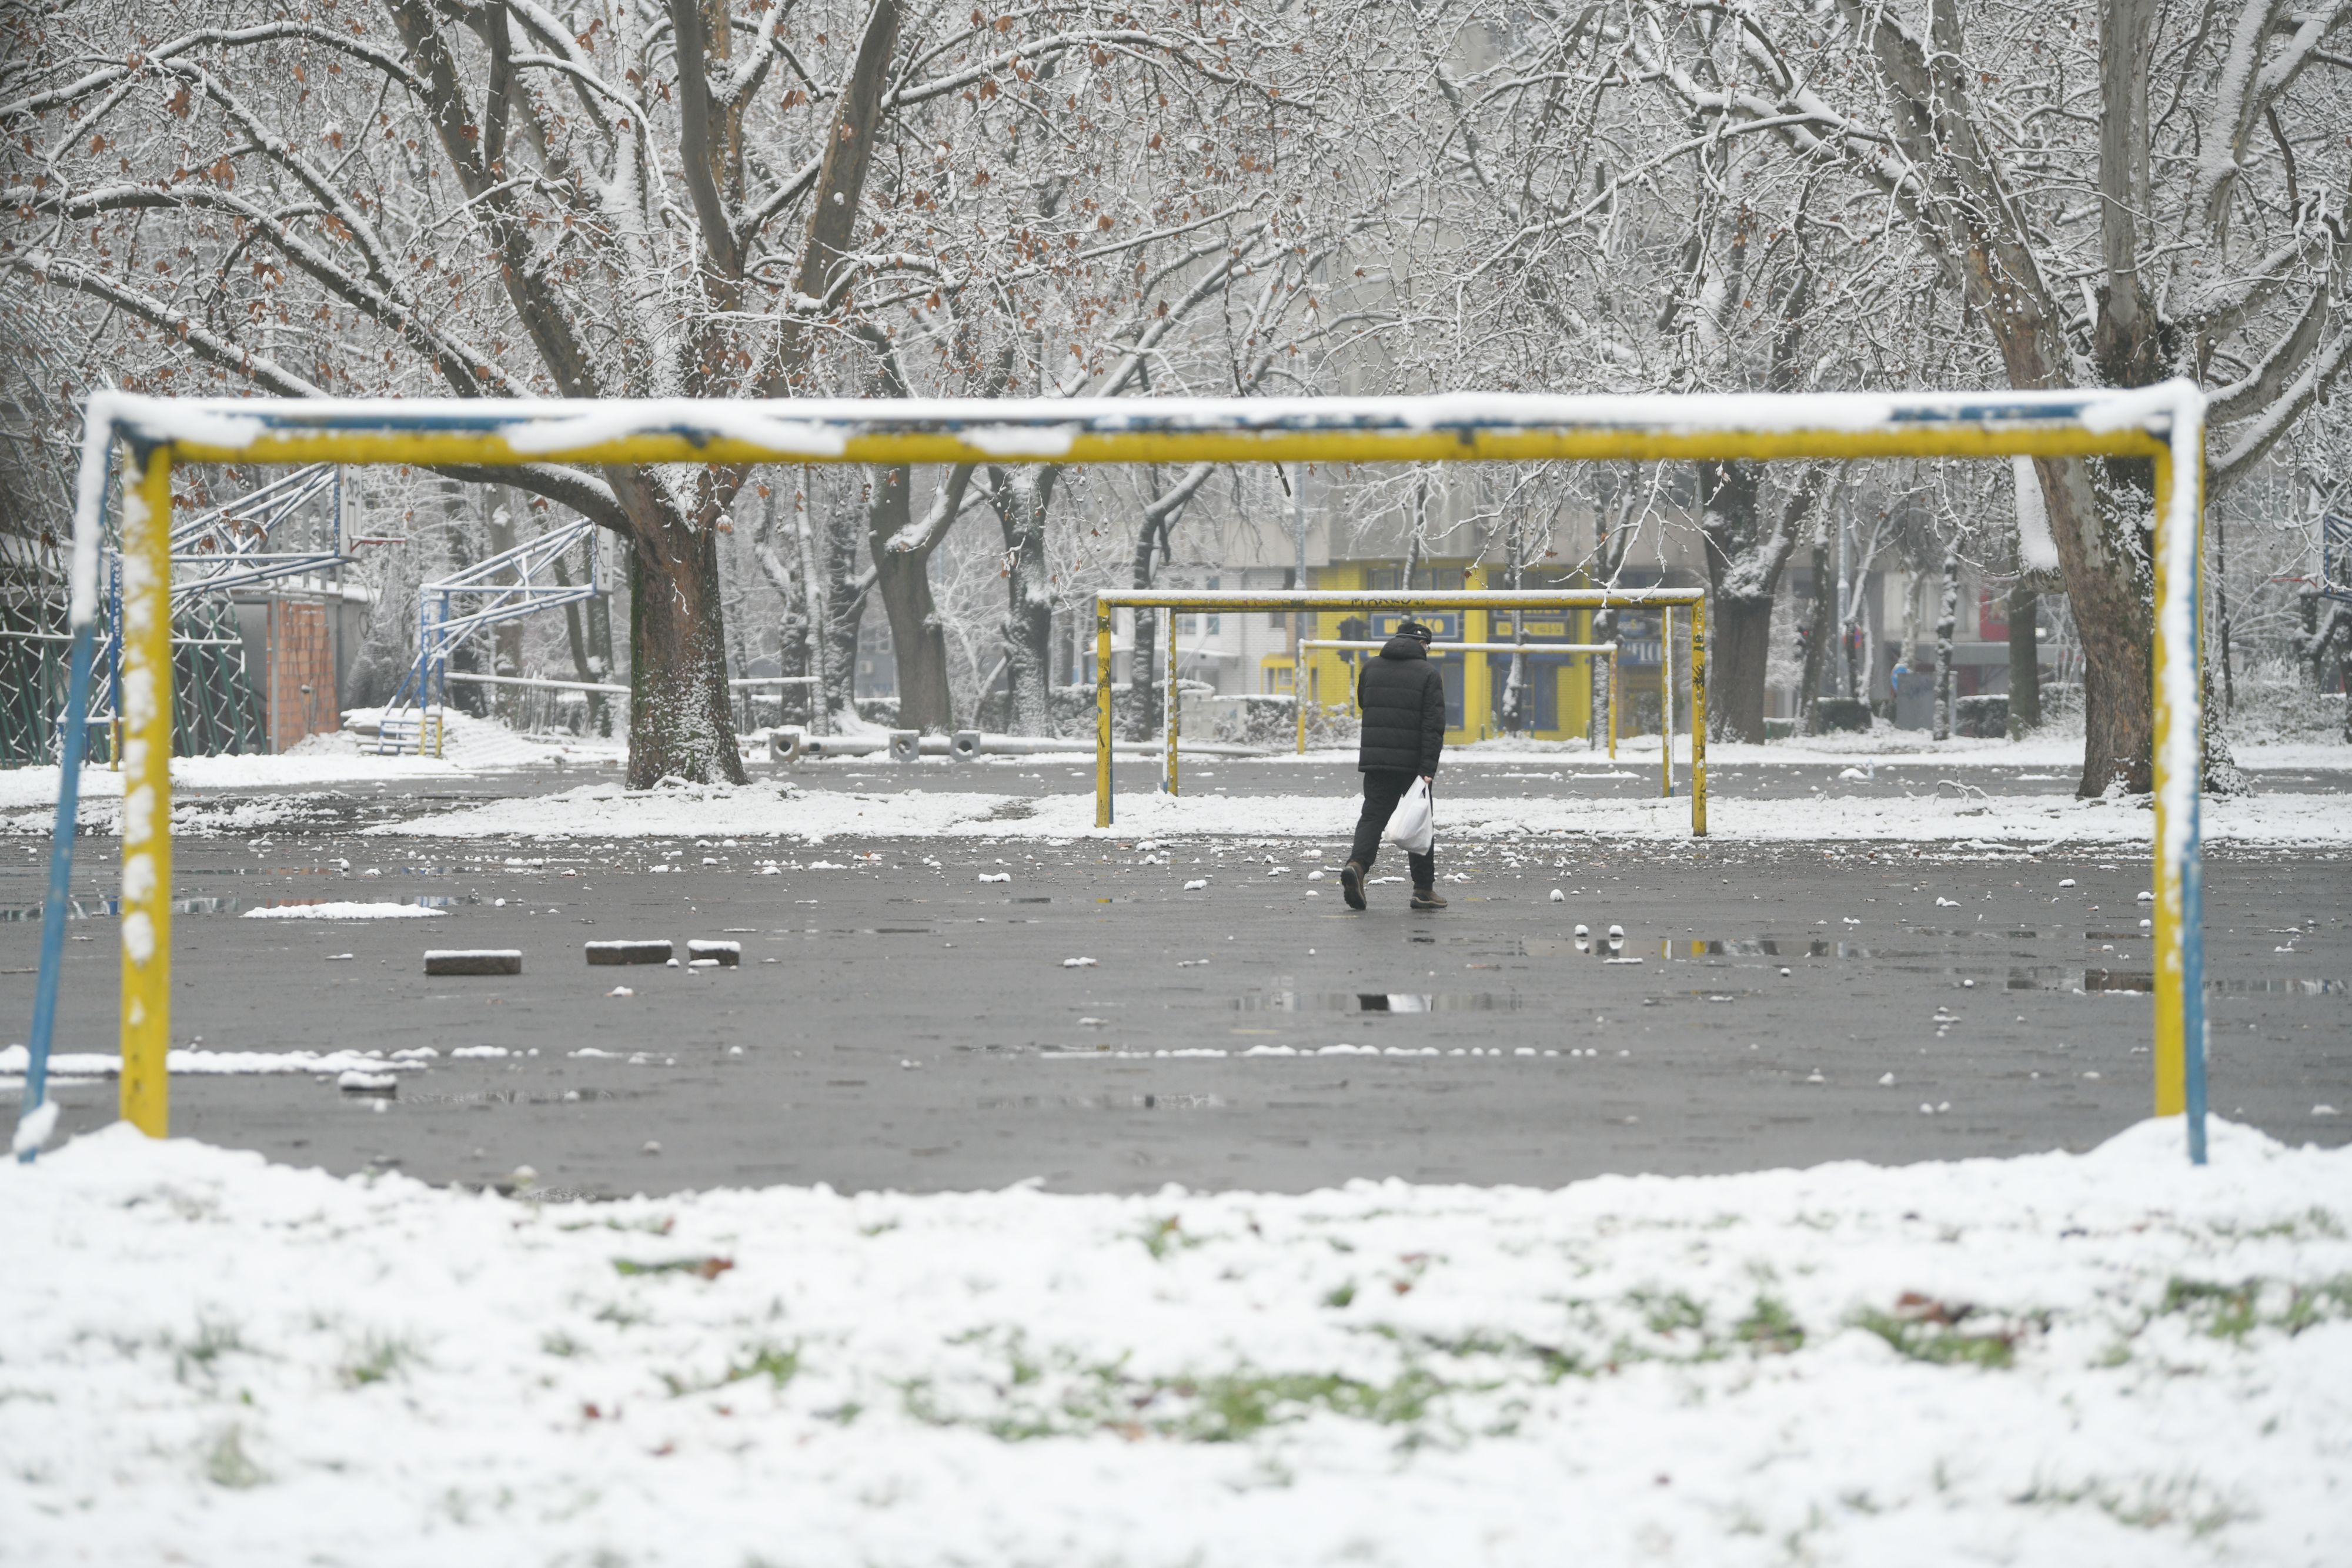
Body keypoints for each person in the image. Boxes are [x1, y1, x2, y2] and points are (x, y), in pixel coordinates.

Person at [1340, 618, 1446, 912]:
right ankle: (1424, 890)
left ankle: (1357, 866)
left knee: (1372, 817)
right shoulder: (1428, 674)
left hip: (1376, 760)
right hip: (1413, 765)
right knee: (1419, 821)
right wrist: (1428, 770)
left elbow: (1365, 703)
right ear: (1422, 644)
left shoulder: (1371, 668)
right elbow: (1433, 726)